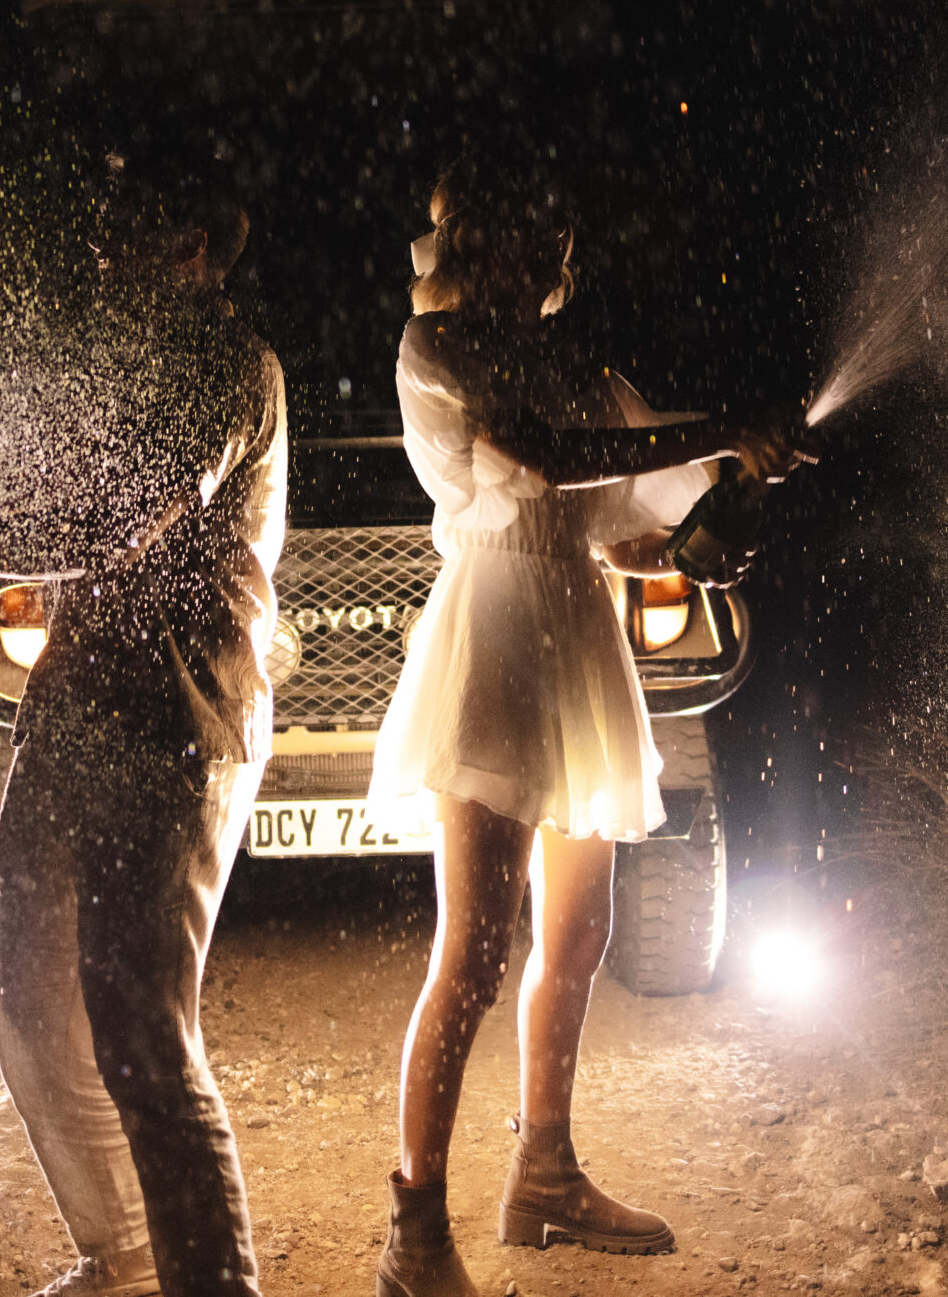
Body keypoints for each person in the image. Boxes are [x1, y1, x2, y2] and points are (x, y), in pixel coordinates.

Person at [365, 176, 802, 1297]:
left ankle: (544, 1176)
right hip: (498, 641)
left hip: (574, 633)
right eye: (526, 234)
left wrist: (709, 518)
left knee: (579, 932)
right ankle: (414, 1233)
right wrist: (721, 428)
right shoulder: (434, 347)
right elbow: (539, 460)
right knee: (471, 952)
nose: (546, 257)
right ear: (476, 241)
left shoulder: (582, 368)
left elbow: (620, 524)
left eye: (556, 238)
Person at [0, 158, 288, 1297]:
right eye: (105, 226)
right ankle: (118, 1252)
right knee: (30, 1006)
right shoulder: (100, 364)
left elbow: (118, 527)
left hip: (179, 716)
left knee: (141, 1031)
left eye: (141, 229)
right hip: (74, 708)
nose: (108, 249)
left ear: (201, 252)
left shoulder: (224, 365)